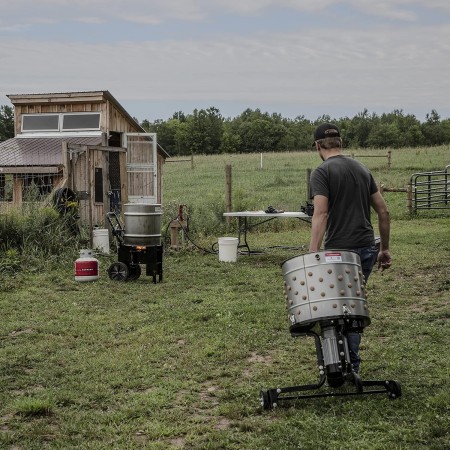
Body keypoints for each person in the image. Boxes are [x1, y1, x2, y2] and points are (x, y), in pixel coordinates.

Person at [308, 123, 392, 373]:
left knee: (334, 308)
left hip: (338, 252)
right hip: (367, 249)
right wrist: (384, 249)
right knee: (353, 306)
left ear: (317, 146)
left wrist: (312, 254)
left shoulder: (322, 172)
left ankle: (340, 365)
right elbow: (384, 211)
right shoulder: (362, 168)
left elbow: (320, 215)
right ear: (340, 143)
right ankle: (350, 365)